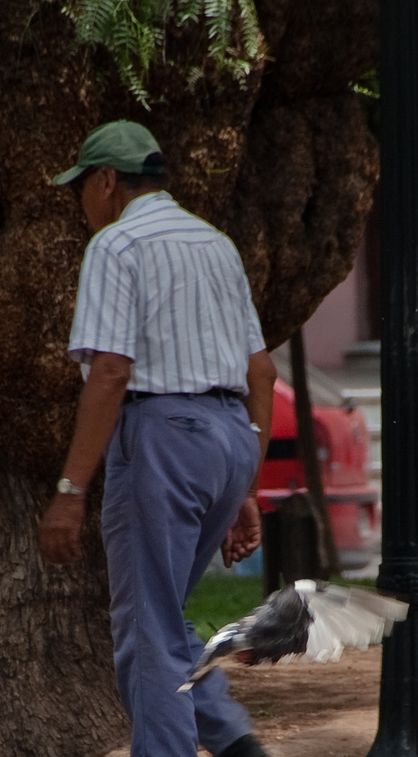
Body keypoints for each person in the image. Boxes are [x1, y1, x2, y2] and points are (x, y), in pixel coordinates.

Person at [37, 120, 276, 757]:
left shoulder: (117, 246)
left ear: (107, 182)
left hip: (164, 437)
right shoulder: (216, 245)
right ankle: (233, 743)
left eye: (81, 188)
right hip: (230, 439)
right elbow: (262, 372)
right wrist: (246, 485)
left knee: (147, 632)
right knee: (159, 619)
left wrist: (70, 489)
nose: (80, 203)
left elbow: (111, 370)